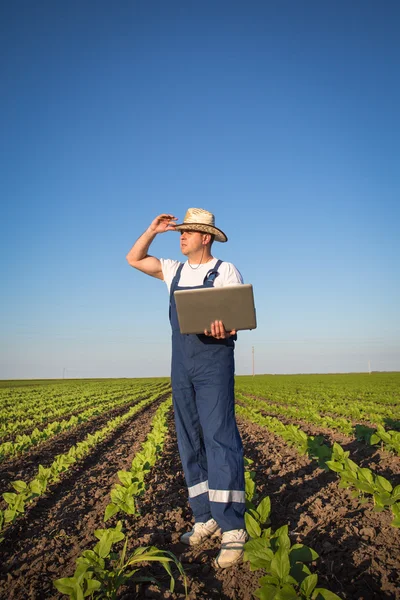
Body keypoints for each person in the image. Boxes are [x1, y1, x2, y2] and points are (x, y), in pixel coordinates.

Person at [126, 208, 248, 568]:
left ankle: (232, 527)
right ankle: (204, 517)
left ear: (205, 237)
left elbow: (238, 320)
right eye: (180, 232)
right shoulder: (173, 270)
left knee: (219, 437)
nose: (181, 236)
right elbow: (133, 258)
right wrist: (152, 229)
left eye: (188, 232)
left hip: (214, 362)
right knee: (190, 440)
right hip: (181, 364)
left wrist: (226, 328)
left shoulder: (224, 271)